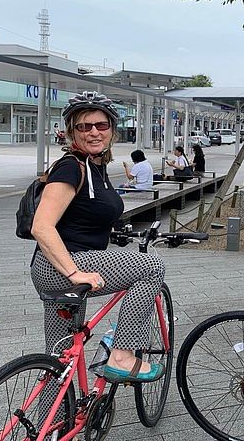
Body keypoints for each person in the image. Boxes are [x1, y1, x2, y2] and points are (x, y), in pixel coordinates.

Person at [30, 91, 166, 385]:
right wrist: (74, 272)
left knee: (60, 359)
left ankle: (51, 429)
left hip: (54, 268)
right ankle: (122, 356)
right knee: (151, 267)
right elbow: (41, 226)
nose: (94, 132)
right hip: (64, 266)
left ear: (112, 130)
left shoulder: (96, 167)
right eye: (84, 126)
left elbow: (84, 215)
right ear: (71, 132)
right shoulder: (71, 166)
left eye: (101, 125)